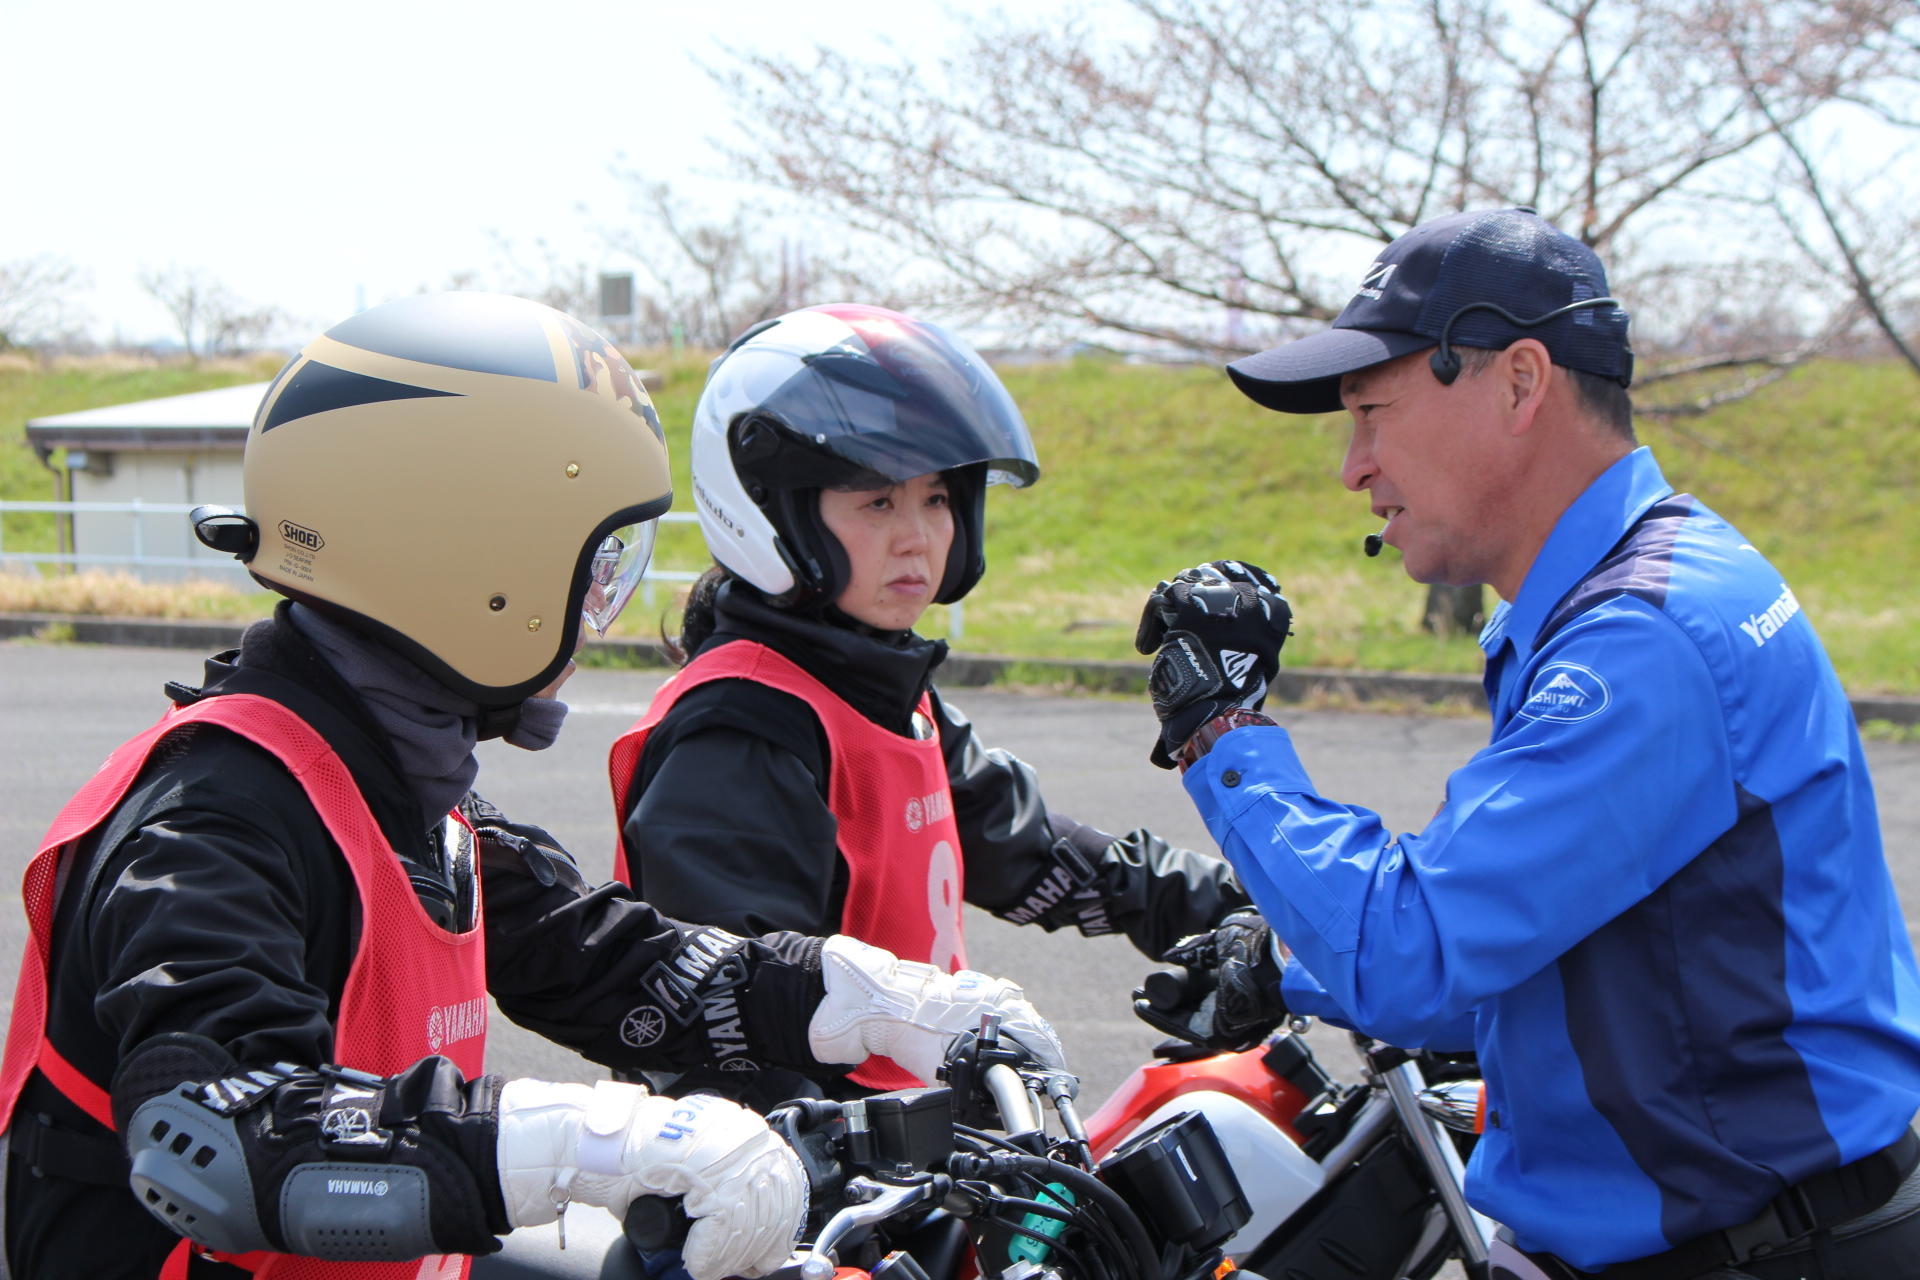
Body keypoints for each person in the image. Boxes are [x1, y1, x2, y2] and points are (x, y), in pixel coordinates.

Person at [0, 293, 1064, 1280]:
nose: (602, 602)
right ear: (468, 557)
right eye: (591, 561)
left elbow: (611, 960)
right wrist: (602, 1140)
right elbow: (219, 1133)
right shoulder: (213, 818)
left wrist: (877, 1001)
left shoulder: (410, 796)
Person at [1131, 209, 1920, 1278]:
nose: (1354, 467)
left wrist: (1217, 722)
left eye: (1372, 410)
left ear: (1519, 381)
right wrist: (1284, 959)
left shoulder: (1641, 642)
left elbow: (1411, 956)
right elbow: (1536, 934)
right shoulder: (1633, 592)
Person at [608, 303, 1248, 1106]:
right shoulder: (743, 724)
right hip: (801, 1188)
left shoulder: (879, 689)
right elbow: (740, 1016)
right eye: (877, 502)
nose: (918, 537)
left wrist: (1232, 903)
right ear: (770, 512)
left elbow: (1026, 851)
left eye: (938, 499)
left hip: (917, 1151)